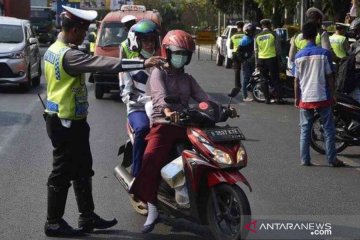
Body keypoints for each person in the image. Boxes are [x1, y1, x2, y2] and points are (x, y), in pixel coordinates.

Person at [43, 6, 165, 237]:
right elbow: (104, 63)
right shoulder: (69, 55)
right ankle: (54, 222)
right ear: (74, 30)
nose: (84, 36)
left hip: (71, 121)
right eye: (83, 31)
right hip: (65, 122)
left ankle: (87, 217)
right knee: (61, 173)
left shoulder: (54, 49)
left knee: (83, 170)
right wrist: (141, 63)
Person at [129, 30, 210, 233]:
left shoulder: (188, 78)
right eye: (177, 52)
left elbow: (203, 98)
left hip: (185, 123)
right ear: (167, 52)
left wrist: (219, 109)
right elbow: (159, 95)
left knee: (207, 152)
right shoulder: (158, 72)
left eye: (185, 53)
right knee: (150, 158)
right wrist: (167, 110)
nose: (181, 56)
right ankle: (153, 208)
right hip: (164, 123)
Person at [293, 21, 345, 168]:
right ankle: (332, 159)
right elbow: (330, 76)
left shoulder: (298, 56)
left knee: (305, 129)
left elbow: (296, 81)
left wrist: (297, 98)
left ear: (303, 36)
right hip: (323, 96)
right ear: (316, 35)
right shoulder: (324, 54)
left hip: (305, 97)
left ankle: (305, 159)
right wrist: (333, 94)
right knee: (328, 129)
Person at [119, 19, 160, 177]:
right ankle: (137, 176)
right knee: (143, 129)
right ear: (136, 42)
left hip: (161, 110)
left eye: (152, 40)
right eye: (145, 40)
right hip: (138, 109)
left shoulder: (162, 64)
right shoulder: (129, 66)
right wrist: (146, 100)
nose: (149, 44)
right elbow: (126, 95)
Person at [254, 19, 283, 104]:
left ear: (262, 26)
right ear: (269, 25)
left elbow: (256, 50)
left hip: (261, 59)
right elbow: (278, 49)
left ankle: (267, 99)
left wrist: (256, 63)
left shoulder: (257, 36)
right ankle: (278, 99)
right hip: (272, 59)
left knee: (263, 79)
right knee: (275, 79)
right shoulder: (274, 34)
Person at [238, 23, 256, 102]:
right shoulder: (245, 40)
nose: (253, 33)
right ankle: (245, 96)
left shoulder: (250, 38)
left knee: (251, 77)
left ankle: (251, 93)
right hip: (247, 62)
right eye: (252, 31)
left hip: (250, 61)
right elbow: (239, 52)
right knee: (246, 78)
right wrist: (244, 60)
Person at [230, 21, 245, 88]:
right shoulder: (245, 35)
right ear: (243, 27)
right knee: (245, 70)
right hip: (244, 54)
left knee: (237, 71)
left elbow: (231, 47)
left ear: (237, 27)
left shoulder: (233, 36)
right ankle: (245, 84)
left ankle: (237, 85)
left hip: (236, 54)